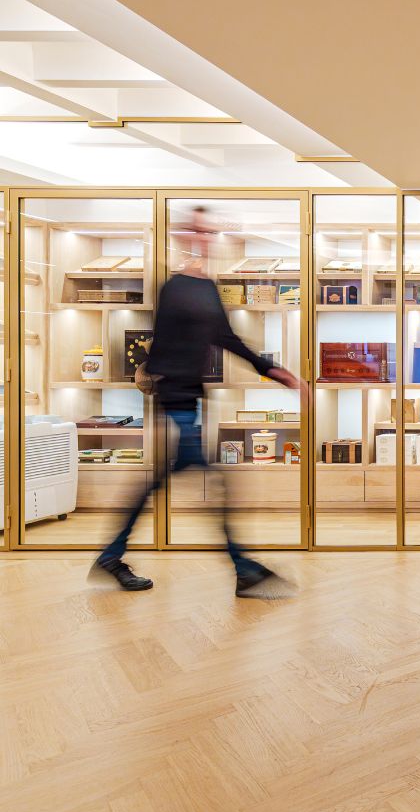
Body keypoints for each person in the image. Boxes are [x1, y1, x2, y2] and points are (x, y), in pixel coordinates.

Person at [90, 207, 308, 598]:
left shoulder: (205, 288)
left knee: (160, 483)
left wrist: (279, 374)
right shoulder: (175, 287)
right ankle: (243, 568)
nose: (205, 238)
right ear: (185, 236)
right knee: (215, 483)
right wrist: (168, 389)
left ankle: (111, 556)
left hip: (187, 401)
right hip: (176, 400)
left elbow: (227, 339)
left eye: (209, 232)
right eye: (198, 231)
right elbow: (165, 347)